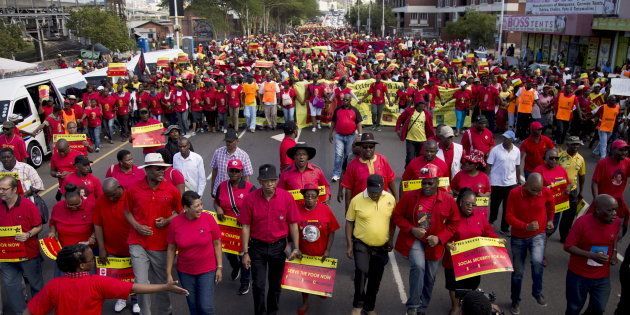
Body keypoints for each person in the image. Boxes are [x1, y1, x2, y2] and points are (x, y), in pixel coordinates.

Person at [24, 244, 188, 315]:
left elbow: (30, 311)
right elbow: (135, 288)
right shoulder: (97, 283)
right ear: (81, 266)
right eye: (90, 259)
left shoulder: (53, 286)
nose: (93, 261)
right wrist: (165, 287)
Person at [393, 164, 460, 315]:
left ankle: (423, 306)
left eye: (430, 182)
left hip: (435, 244)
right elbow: (397, 216)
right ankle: (413, 306)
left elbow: (454, 222)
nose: (426, 186)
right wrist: (412, 229)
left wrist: (440, 238)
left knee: (430, 277)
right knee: (418, 266)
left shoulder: (448, 200)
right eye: (423, 182)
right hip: (415, 240)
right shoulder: (410, 196)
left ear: (437, 181)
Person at [125, 153, 182, 315]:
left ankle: (165, 311)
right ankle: (145, 313)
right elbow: (127, 212)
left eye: (163, 169)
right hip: (137, 243)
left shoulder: (171, 190)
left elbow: (180, 212)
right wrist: (136, 226)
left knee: (162, 282)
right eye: (158, 169)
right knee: (141, 282)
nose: (162, 172)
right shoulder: (133, 189)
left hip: (161, 245)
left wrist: (167, 220)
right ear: (147, 170)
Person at [240, 164, 302, 315]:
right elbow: (246, 227)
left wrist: (296, 247)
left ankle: (272, 312)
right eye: (266, 181)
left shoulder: (286, 197)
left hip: (279, 248)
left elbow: (293, 224)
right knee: (259, 285)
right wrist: (245, 252)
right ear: (260, 181)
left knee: (275, 286)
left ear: (277, 181)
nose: (270, 184)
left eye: (273, 181)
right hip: (257, 248)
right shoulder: (249, 199)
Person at [346, 174, 396, 315]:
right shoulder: (356, 200)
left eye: (378, 192)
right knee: (361, 272)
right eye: (372, 191)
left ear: (382, 188)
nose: (375, 194)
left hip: (381, 246)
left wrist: (391, 239)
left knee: (376, 277)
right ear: (367, 187)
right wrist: (349, 245)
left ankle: (369, 307)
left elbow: (393, 222)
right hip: (361, 244)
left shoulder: (390, 199)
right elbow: (349, 222)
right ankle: (357, 305)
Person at [506, 173, 555, 314]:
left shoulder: (545, 191)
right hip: (518, 237)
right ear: (525, 184)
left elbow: (551, 207)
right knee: (518, 273)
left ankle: (537, 292)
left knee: (537, 262)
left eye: (539, 190)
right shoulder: (514, 193)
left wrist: (550, 220)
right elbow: (509, 217)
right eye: (534, 190)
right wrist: (525, 226)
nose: (537, 193)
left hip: (538, 235)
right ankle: (515, 301)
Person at [443, 188, 498, 315]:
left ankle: (467, 302)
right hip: (453, 261)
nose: (471, 207)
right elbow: (443, 234)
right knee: (453, 285)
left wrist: (498, 242)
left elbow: (488, 232)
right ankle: (456, 306)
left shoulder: (480, 216)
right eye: (468, 204)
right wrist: (446, 244)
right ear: (460, 202)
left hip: (473, 261)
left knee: (472, 284)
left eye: (473, 204)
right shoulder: (451, 215)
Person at [167, 191, 222, 315]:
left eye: (201, 204)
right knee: (193, 307)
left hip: (207, 270)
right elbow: (171, 248)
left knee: (206, 307)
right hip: (185, 272)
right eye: (196, 206)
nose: (201, 208)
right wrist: (168, 272)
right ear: (186, 208)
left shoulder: (208, 218)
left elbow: (217, 243)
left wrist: (219, 267)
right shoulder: (175, 223)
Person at [564, 194, 621, 315]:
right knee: (574, 308)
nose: (614, 213)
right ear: (598, 210)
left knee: (599, 308)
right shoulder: (582, 223)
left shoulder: (616, 222)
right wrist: (591, 255)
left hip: (602, 277)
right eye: (610, 210)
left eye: (616, 209)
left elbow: (614, 236)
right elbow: (568, 246)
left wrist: (614, 252)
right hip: (578, 275)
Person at [93, 178, 139, 313]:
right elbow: (97, 224)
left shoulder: (131, 196)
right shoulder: (102, 200)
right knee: (119, 276)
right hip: (113, 248)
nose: (111, 198)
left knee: (135, 274)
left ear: (119, 187)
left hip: (133, 246)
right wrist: (101, 248)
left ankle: (136, 299)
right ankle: (122, 297)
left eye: (113, 195)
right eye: (108, 196)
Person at [0, 175, 43, 314]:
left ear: (14, 189)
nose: (1, 191)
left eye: (4, 189)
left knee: (35, 284)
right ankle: (21, 312)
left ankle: (38, 310)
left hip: (28, 255)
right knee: (11, 287)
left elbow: (38, 226)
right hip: (6, 257)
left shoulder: (27, 205)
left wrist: (28, 234)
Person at [295, 183, 340, 314]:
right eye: (307, 196)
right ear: (303, 196)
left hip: (321, 253)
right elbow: (292, 231)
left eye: (313, 196)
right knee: (304, 279)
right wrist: (295, 248)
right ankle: (305, 302)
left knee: (319, 275)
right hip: (303, 253)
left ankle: (320, 290)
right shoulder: (297, 209)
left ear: (317, 198)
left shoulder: (325, 210)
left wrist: (328, 250)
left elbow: (332, 231)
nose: (309, 198)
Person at [214, 159, 256, 295]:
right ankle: (235, 266)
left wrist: (243, 215)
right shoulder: (222, 186)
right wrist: (218, 208)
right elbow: (216, 202)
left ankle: (245, 282)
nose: (234, 173)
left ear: (241, 172)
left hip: (244, 228)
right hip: (227, 228)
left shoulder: (250, 188)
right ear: (228, 171)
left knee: (244, 253)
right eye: (231, 170)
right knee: (229, 253)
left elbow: (256, 208)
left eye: (237, 171)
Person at [341, 132, 396, 211]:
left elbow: (391, 180)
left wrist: (396, 200)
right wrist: (348, 210)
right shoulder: (352, 165)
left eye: (371, 147)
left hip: (381, 205)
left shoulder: (382, 160)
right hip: (361, 207)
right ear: (360, 147)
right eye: (365, 147)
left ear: (374, 147)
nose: (368, 149)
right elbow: (348, 190)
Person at [591, 139, 630, 234]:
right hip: (603, 200)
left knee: (624, 218)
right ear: (613, 150)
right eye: (621, 150)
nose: (624, 152)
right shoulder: (603, 163)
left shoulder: (627, 162)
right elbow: (594, 182)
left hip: (618, 200)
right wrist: (597, 200)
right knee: (593, 223)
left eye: (626, 150)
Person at [533, 148, 571, 237]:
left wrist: (568, 189)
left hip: (557, 206)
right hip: (542, 206)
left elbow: (568, 184)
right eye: (551, 158)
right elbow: (533, 187)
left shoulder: (561, 170)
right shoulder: (538, 170)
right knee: (539, 228)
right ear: (545, 158)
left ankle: (542, 240)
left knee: (551, 229)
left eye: (556, 158)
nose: (554, 160)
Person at [557, 136, 587, 242]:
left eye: (577, 144)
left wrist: (581, 191)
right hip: (558, 190)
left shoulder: (581, 159)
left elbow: (582, 176)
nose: (575, 146)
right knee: (555, 214)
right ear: (568, 144)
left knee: (569, 216)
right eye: (573, 144)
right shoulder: (559, 156)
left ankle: (564, 237)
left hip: (573, 191)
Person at [49, 183, 96, 248]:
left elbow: (99, 226)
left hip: (86, 248)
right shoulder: (57, 207)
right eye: (70, 205)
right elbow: (53, 223)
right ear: (65, 200)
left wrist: (93, 238)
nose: (74, 207)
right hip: (65, 249)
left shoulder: (91, 207)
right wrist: (52, 232)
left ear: (80, 197)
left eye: (77, 204)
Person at [209, 129, 254, 196]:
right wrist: (212, 189)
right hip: (219, 190)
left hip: (236, 192)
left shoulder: (244, 156)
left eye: (230, 141)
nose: (228, 143)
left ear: (237, 141)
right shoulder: (218, 152)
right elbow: (214, 171)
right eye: (227, 141)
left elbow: (246, 177)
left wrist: (245, 193)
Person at [329, 93, 363, 182]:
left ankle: (347, 172)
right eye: (344, 99)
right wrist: (330, 133)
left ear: (350, 100)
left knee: (348, 156)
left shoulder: (355, 110)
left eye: (347, 100)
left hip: (351, 136)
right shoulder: (338, 110)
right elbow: (333, 122)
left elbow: (359, 123)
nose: (344, 101)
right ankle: (336, 174)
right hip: (339, 136)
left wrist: (360, 135)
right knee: (338, 155)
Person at [396, 100, 435, 166]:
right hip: (410, 139)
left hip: (422, 140)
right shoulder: (409, 111)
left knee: (420, 158)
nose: (424, 106)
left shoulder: (427, 114)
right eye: (422, 104)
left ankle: (418, 173)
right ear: (417, 105)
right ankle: (407, 172)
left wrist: (431, 138)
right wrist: (398, 129)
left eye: (424, 104)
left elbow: (430, 127)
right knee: (410, 158)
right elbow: (400, 119)